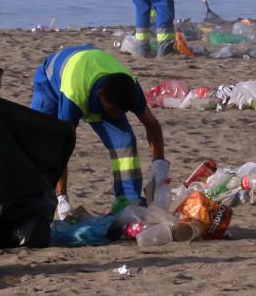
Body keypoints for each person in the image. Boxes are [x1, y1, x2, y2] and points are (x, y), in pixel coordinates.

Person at [29, 45, 168, 219]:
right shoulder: (74, 96)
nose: (117, 115)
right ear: (100, 96)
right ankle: (41, 199)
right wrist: (61, 197)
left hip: (96, 71)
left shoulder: (130, 89)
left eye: (121, 112)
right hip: (51, 81)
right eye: (113, 110)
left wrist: (159, 164)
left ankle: (128, 201)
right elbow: (61, 146)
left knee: (125, 141)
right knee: (41, 140)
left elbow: (152, 124)